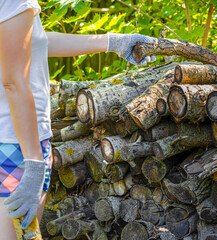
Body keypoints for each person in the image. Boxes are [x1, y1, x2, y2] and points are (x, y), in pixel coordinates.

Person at [0, 0, 157, 238]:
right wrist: (33, 163)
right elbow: (13, 82)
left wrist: (112, 42)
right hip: (16, 145)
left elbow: (30, 41)